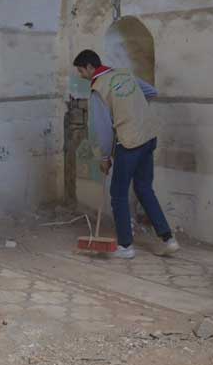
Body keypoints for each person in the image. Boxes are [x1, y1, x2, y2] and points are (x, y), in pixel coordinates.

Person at [72, 49, 179, 259]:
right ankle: (168, 239)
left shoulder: (98, 89)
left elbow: (103, 129)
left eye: (81, 70)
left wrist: (104, 157)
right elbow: (151, 92)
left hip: (129, 143)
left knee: (118, 193)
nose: (80, 75)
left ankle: (125, 246)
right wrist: (131, 108)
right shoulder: (123, 74)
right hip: (148, 136)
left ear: (90, 67)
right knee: (144, 188)